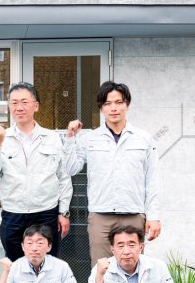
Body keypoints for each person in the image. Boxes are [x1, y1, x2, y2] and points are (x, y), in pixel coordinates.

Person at [64, 81, 161, 264]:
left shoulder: (143, 139)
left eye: (119, 102)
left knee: (132, 267)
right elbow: (71, 168)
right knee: (101, 269)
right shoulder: (90, 139)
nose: (113, 108)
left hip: (133, 214)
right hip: (100, 216)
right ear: (101, 108)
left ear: (127, 105)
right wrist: (70, 138)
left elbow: (152, 180)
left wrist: (154, 216)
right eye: (107, 103)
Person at [0, 82, 73, 260]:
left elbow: (63, 177)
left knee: (47, 264)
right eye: (14, 103)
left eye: (24, 102)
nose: (19, 107)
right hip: (13, 214)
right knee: (15, 265)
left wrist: (63, 212)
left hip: (46, 212)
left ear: (36, 106)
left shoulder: (51, 138)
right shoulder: (0, 138)